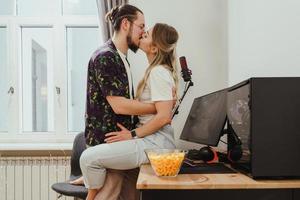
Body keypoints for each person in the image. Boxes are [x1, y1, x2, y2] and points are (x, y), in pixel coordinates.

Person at [80, 22, 179, 200]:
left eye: (146, 34)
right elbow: (157, 111)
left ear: (155, 48)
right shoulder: (154, 72)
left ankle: (91, 193)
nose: (142, 34)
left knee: (88, 158)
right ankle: (91, 185)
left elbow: (163, 117)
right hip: (149, 141)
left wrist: (132, 134)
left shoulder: (158, 72)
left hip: (154, 144)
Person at [71, 4, 156, 200]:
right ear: (126, 24)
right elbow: (119, 105)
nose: (143, 32)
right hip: (108, 141)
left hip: (123, 139)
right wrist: (158, 109)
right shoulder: (105, 57)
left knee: (132, 195)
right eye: (141, 26)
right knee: (109, 193)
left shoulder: (121, 58)